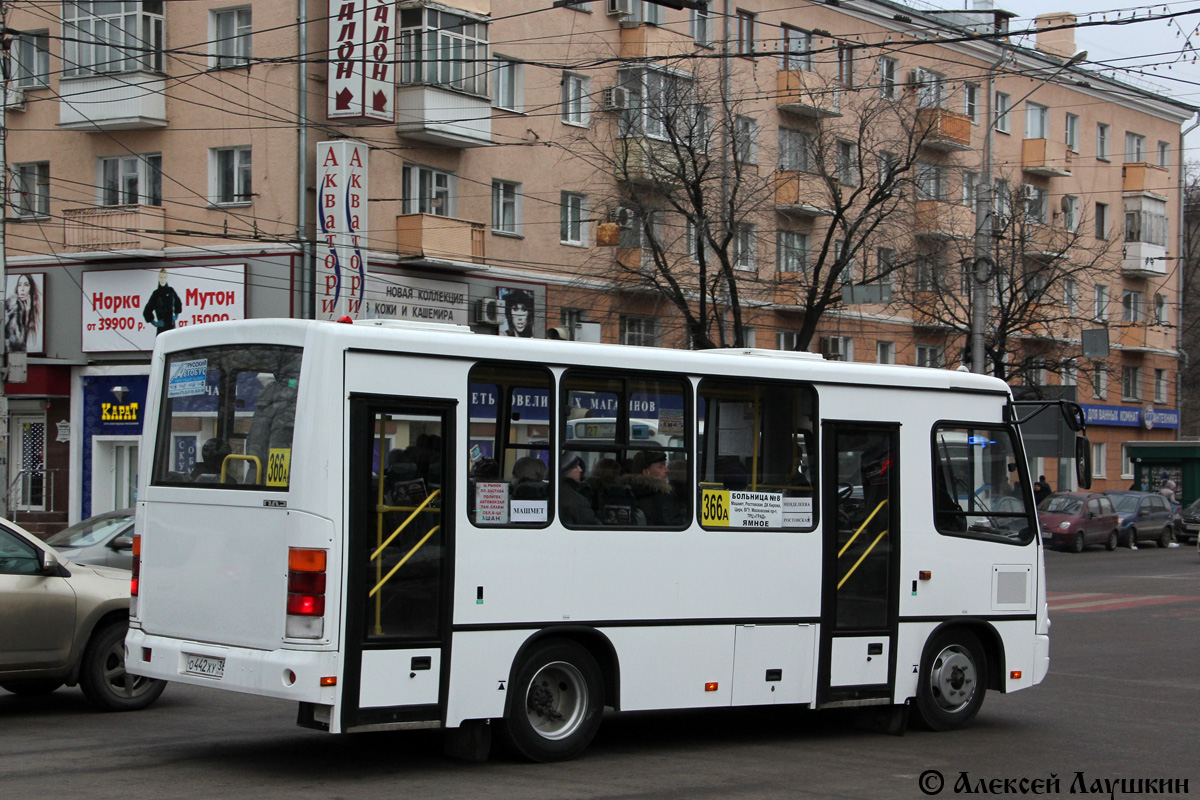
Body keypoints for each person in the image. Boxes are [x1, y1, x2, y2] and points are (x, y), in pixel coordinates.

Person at [624, 450, 684, 526]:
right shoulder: (662, 494)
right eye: (660, 467)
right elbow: (674, 525)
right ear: (646, 472)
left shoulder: (627, 491)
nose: (666, 470)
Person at [558, 451, 599, 525]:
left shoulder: (557, 490)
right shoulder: (574, 498)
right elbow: (590, 523)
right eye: (576, 467)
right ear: (567, 470)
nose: (580, 470)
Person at [5, 273, 41, 353]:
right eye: (19, 285)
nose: (22, 289)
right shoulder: (13, 305)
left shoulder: (27, 308)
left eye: (26, 285)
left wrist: (28, 312)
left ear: (30, 289)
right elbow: (17, 342)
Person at [143, 269, 183, 335]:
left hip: (171, 327)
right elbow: (147, 310)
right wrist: (155, 323)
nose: (163, 280)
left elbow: (178, 303)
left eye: (164, 277)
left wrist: (176, 316)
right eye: (161, 277)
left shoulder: (171, 291)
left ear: (166, 278)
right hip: (162, 329)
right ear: (159, 278)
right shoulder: (156, 294)